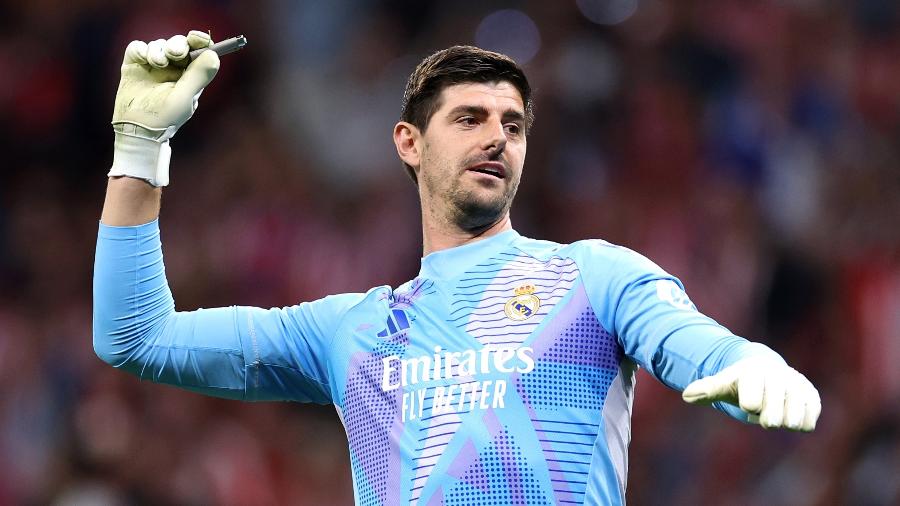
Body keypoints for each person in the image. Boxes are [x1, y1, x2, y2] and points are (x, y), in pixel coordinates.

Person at [94, 31, 821, 505]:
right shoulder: (350, 328)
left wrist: (747, 362)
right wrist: (139, 146)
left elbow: (687, 340)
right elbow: (136, 337)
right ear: (409, 143)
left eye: (513, 125)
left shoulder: (594, 278)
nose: (496, 138)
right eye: (469, 118)